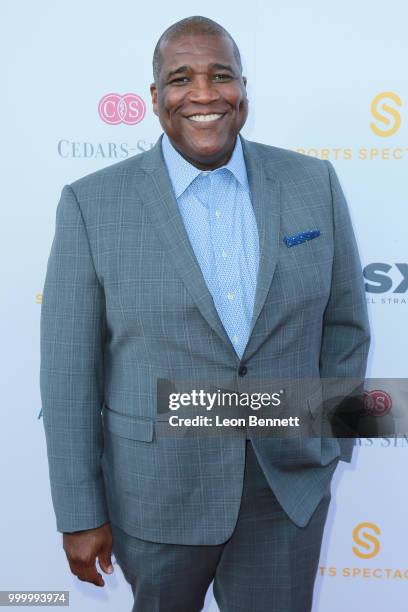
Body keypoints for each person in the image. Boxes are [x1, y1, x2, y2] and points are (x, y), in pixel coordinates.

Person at [40, 15, 370, 612]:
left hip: (286, 489)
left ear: (244, 88)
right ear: (155, 97)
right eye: (180, 78)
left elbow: (345, 329)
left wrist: (329, 446)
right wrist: (79, 512)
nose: (202, 94)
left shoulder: (312, 181)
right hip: (155, 494)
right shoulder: (91, 204)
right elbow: (68, 377)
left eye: (221, 76)